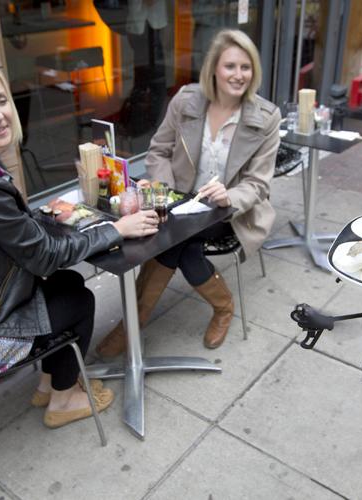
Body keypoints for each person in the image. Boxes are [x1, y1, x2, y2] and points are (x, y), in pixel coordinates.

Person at [0, 56, 160, 429]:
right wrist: (118, 229)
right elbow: (45, 258)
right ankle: (63, 401)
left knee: (66, 287)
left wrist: (43, 218)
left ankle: (49, 384)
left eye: (1, 100)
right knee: (79, 299)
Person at [96, 29, 280, 357]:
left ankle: (131, 326)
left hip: (230, 211)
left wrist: (229, 196)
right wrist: (167, 190)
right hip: (179, 201)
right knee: (185, 246)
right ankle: (223, 306)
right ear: (213, 68)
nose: (239, 75)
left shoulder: (265, 117)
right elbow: (158, 151)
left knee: (173, 241)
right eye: (230, 66)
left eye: (246, 67)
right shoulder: (186, 101)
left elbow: (258, 183)